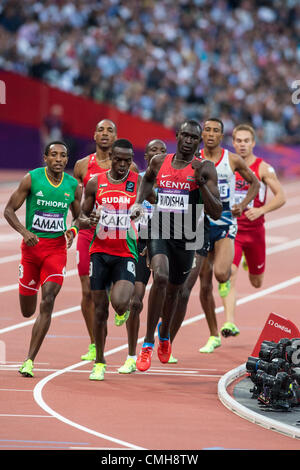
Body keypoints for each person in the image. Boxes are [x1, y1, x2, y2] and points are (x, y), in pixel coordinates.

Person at [131, 119, 223, 372]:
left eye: (194, 138)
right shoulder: (160, 161)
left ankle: (165, 337)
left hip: (189, 235)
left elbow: (216, 212)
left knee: (175, 291)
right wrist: (139, 202)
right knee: (159, 277)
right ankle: (148, 343)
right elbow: (147, 180)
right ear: (178, 136)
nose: (189, 141)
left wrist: (201, 182)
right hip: (160, 229)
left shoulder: (205, 167)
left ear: (199, 142)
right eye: (185, 135)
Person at [4, 141, 82, 377]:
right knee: (27, 311)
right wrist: (25, 232)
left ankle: (29, 360)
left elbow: (80, 217)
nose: (59, 159)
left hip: (56, 251)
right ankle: (29, 295)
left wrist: (73, 231)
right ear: (45, 158)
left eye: (63, 156)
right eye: (54, 155)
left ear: (67, 160)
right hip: (31, 250)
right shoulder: (32, 179)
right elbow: (8, 210)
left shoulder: (72, 185)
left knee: (47, 300)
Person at [82, 139, 153, 381]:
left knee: (121, 303)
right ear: (110, 157)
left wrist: (139, 209)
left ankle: (120, 311)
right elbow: (83, 215)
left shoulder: (137, 182)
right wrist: (90, 219)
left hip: (126, 251)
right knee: (99, 310)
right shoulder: (95, 183)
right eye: (118, 159)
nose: (123, 165)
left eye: (127, 160)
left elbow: (149, 203)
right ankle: (99, 361)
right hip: (99, 252)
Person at [73, 119, 138, 362]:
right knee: (88, 291)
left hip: (120, 236)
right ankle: (94, 343)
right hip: (91, 233)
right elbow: (78, 202)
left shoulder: (130, 172)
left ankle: (119, 300)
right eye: (100, 129)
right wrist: (79, 223)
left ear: (116, 137)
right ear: (94, 135)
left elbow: (140, 200)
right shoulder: (82, 166)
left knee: (115, 293)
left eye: (110, 130)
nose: (104, 133)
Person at [196, 118, 260, 353]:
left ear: (221, 136)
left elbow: (254, 182)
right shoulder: (195, 160)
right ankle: (213, 335)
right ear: (202, 134)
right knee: (203, 285)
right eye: (208, 130)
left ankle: (223, 282)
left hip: (224, 223)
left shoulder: (232, 159)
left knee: (222, 273)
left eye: (216, 131)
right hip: (200, 225)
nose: (211, 134)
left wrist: (242, 204)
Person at [220, 124, 286, 337]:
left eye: (246, 141)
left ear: (253, 143)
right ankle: (229, 322)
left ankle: (251, 262)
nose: (242, 144)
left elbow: (281, 197)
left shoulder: (263, 168)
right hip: (233, 231)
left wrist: (261, 210)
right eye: (238, 140)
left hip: (256, 232)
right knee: (229, 273)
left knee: (257, 283)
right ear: (233, 142)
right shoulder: (228, 164)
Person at [118, 138, 167, 374]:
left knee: (165, 292)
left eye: (163, 151)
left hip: (161, 245)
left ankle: (161, 333)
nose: (158, 154)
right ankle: (130, 355)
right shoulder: (136, 181)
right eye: (153, 151)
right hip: (137, 245)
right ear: (146, 157)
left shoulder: (172, 183)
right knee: (135, 302)